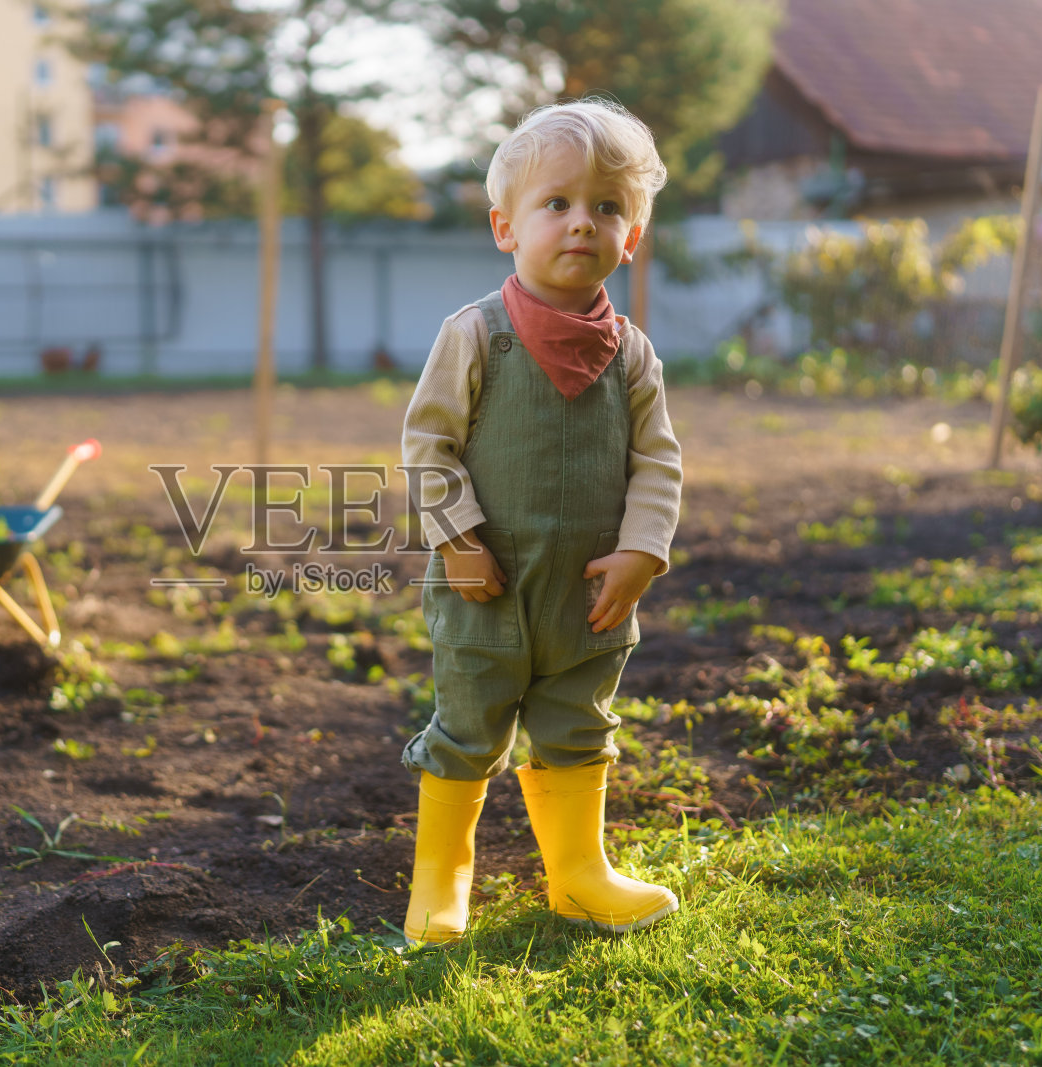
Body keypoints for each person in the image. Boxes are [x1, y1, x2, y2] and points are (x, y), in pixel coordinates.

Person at [399, 98, 683, 944]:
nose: (581, 222)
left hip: (587, 596)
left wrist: (642, 550)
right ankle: (441, 882)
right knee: (469, 726)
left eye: (607, 207)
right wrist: (458, 540)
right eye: (556, 203)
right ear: (506, 227)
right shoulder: (476, 335)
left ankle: (579, 874)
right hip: (484, 585)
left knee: (577, 722)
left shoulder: (631, 354)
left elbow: (658, 461)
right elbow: (428, 446)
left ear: (631, 237)